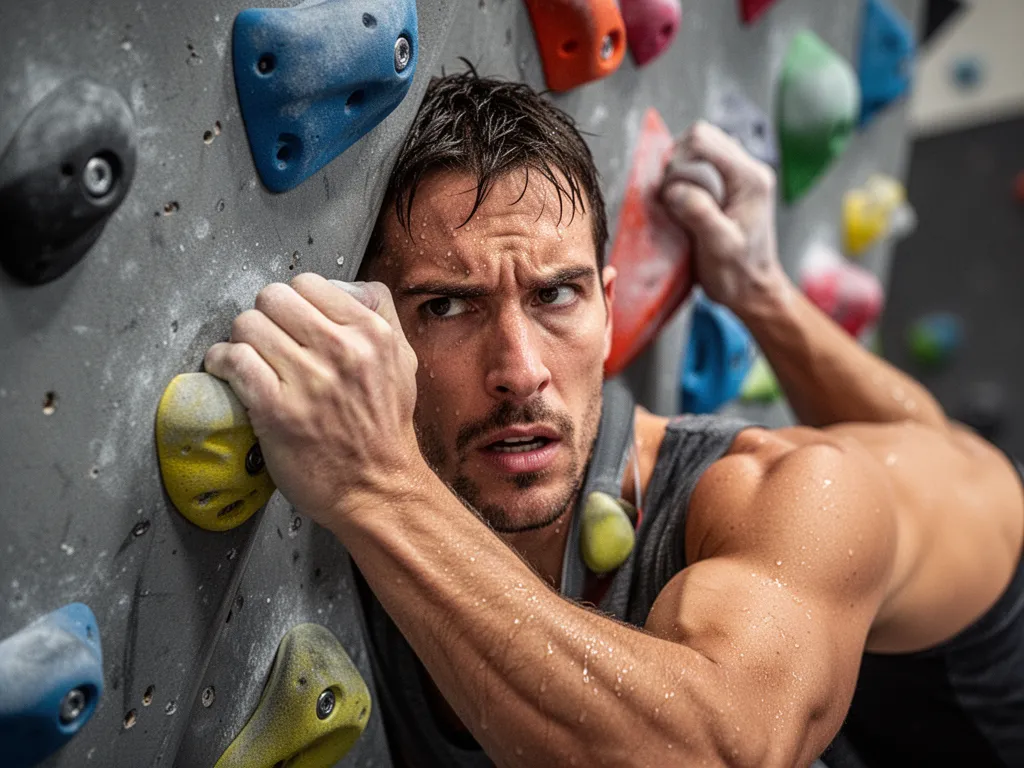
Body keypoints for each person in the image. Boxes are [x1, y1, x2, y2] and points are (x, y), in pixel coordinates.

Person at [204, 72, 1024, 767]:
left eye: (556, 294)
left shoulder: (782, 495)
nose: (520, 372)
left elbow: (720, 752)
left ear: (607, 303)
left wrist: (376, 486)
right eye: (447, 305)